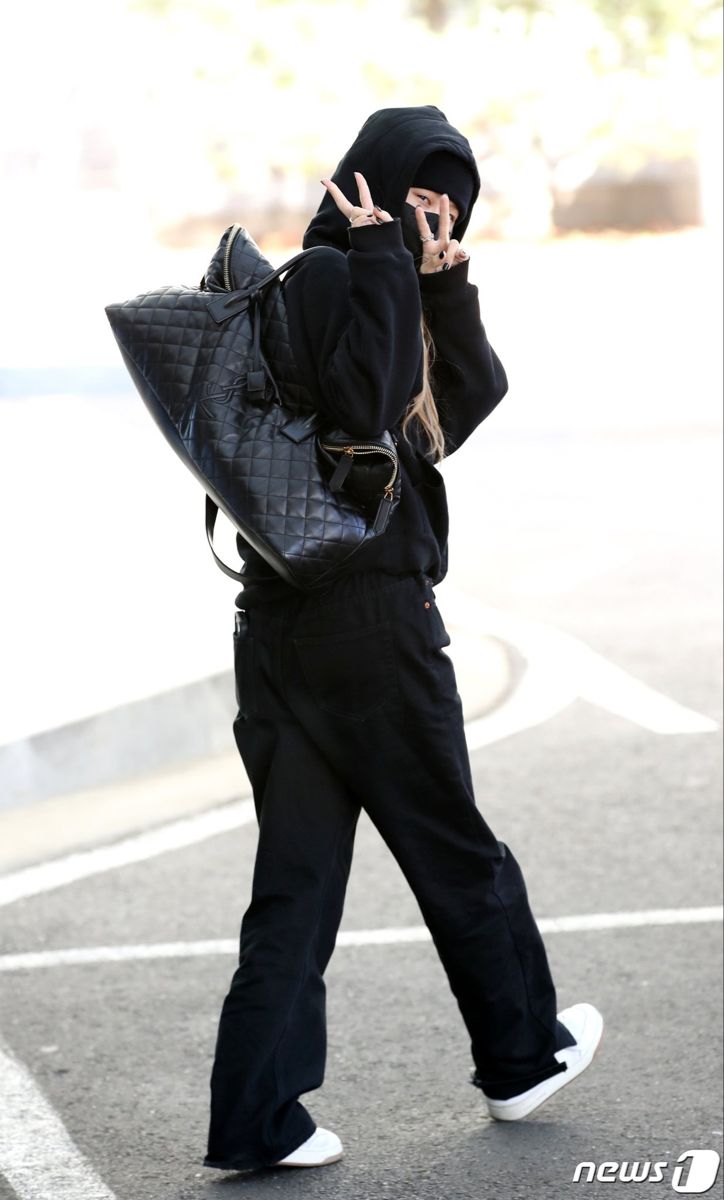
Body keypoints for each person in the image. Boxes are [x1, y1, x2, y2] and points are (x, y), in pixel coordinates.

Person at [203, 105, 603, 1174]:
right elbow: (362, 402)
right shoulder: (331, 280)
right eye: (417, 193)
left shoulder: (354, 285)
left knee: (295, 884)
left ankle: (257, 1114)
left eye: (450, 202)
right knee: (455, 851)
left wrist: (441, 283)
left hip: (283, 628)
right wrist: (386, 259)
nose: (432, 212)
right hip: (370, 624)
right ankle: (521, 1059)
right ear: (363, 181)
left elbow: (443, 421)